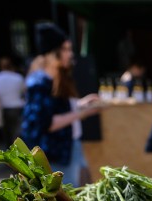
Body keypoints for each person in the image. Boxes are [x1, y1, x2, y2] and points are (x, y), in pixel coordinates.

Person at [21, 22, 103, 187]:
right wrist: (83, 113)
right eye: (66, 49)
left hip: (71, 144)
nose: (70, 54)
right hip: (55, 151)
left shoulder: (55, 78)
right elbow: (46, 122)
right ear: (52, 53)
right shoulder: (39, 82)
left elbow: (57, 109)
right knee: (67, 194)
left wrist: (81, 104)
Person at [0, 56, 26, 146]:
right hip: (18, 107)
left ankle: (12, 156)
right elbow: (25, 93)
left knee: (7, 135)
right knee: (17, 135)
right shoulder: (18, 77)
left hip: (2, 108)